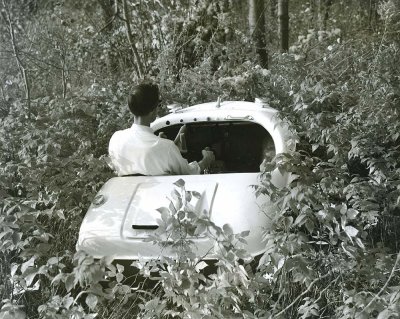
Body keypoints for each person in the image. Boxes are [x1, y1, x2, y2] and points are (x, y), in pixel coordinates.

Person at [108, 80, 215, 176]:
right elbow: (189, 172)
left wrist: (165, 144)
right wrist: (206, 159)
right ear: (153, 110)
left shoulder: (116, 139)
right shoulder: (165, 148)